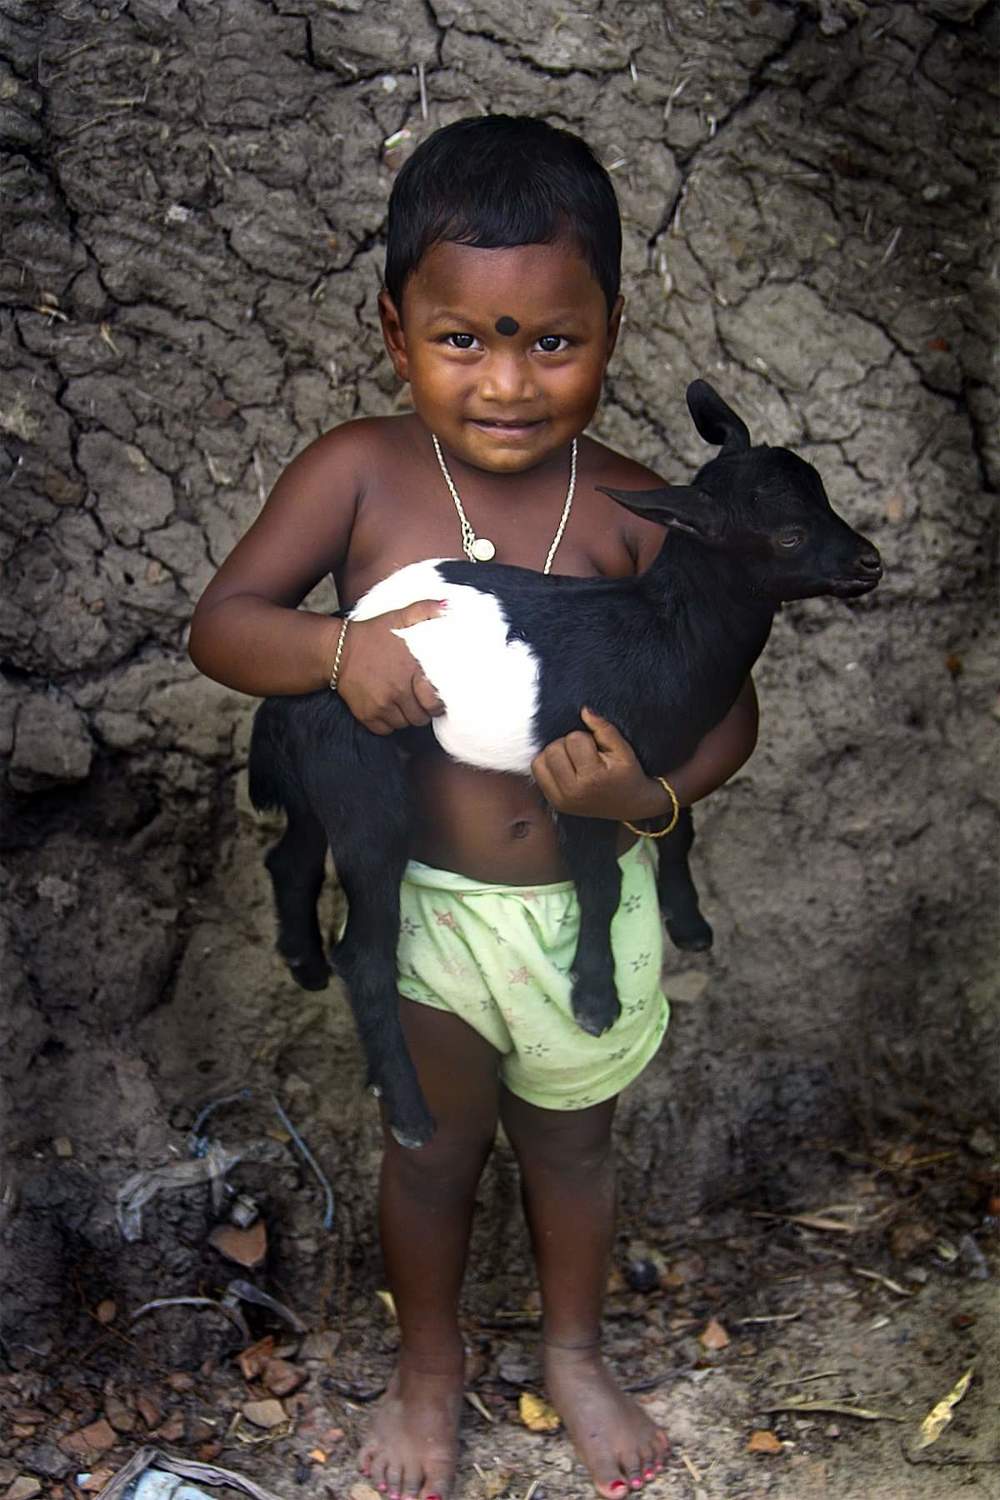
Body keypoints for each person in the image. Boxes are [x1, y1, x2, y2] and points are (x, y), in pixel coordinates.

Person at [190, 115, 758, 1500]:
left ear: (610, 331)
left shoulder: (640, 512)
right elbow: (226, 624)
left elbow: (732, 711)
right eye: (462, 340)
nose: (507, 382)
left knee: (573, 1148)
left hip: (581, 910)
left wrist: (650, 792)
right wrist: (336, 651)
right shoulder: (360, 474)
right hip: (429, 922)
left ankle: (575, 1352)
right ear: (396, 332)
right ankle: (429, 1368)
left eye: (552, 342)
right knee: (431, 1151)